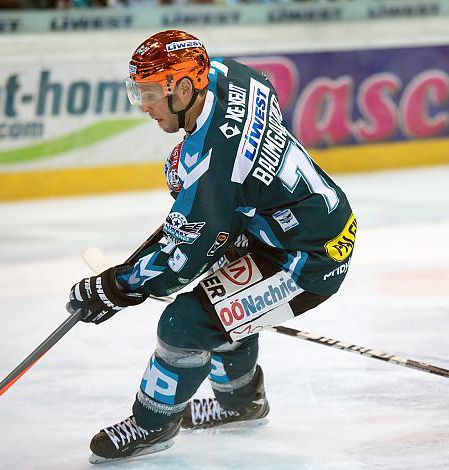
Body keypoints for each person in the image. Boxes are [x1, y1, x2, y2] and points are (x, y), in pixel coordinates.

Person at [67, 30, 357, 463]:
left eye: (149, 94)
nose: (144, 106)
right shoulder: (228, 76)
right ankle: (241, 403)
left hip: (305, 260)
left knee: (184, 325)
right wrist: (231, 215)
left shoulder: (213, 169)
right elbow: (256, 119)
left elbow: (179, 264)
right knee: (222, 309)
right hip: (300, 226)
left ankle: (153, 425)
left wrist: (116, 286)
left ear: (183, 89)